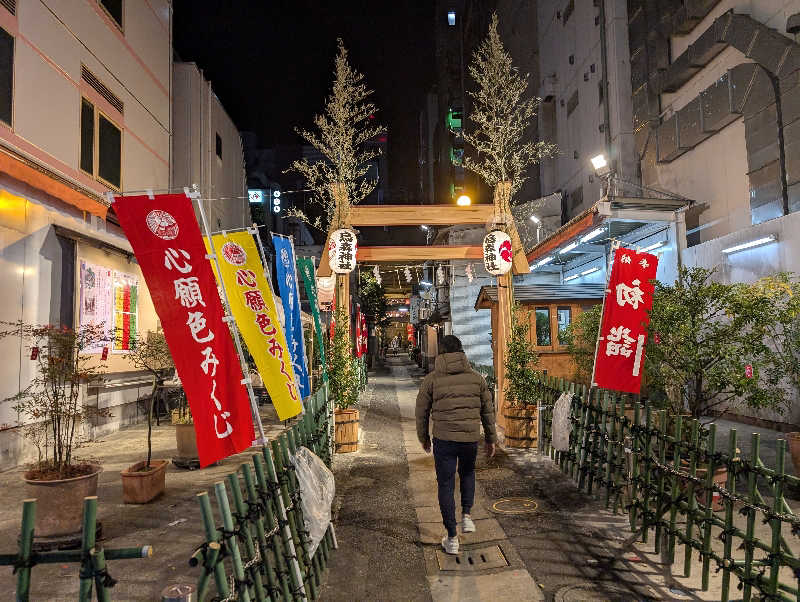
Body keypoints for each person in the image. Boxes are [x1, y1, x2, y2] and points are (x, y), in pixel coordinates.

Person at [415, 334, 497, 555]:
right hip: (469, 438)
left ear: (441, 353)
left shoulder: (431, 379)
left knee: (446, 485)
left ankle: (452, 538)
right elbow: (487, 411)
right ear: (462, 352)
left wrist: (423, 437)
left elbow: (421, 411)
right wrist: (491, 438)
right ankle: (467, 516)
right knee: (468, 473)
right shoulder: (477, 379)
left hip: (444, 440)